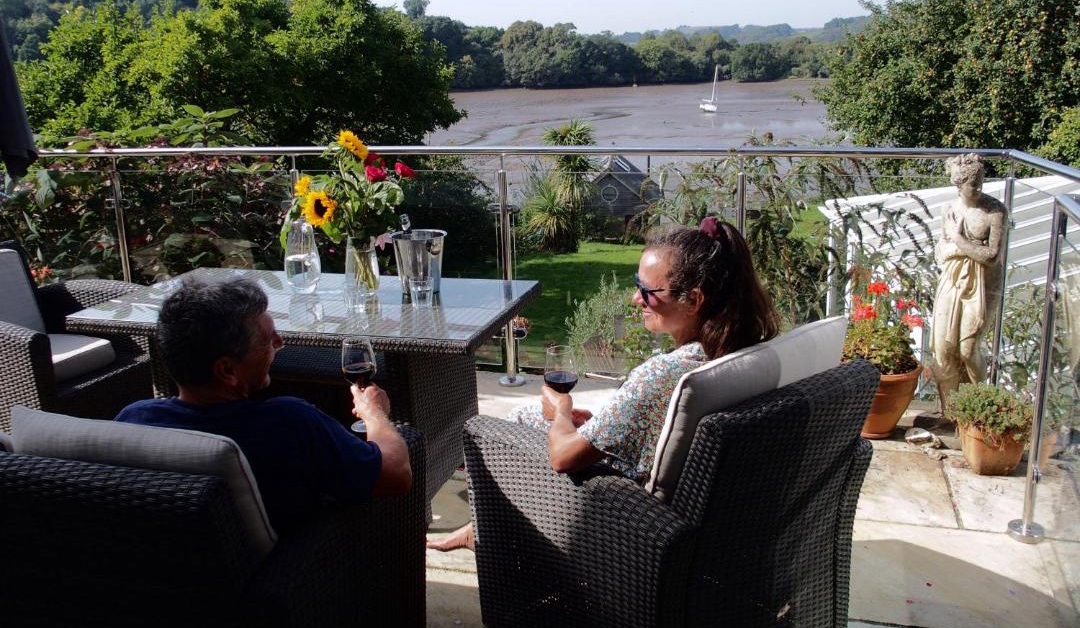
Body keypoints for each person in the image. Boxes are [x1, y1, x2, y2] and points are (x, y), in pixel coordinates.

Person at [428, 217, 779, 550]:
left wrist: (562, 412)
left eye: (647, 290)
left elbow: (564, 458)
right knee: (530, 414)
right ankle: (479, 528)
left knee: (511, 425)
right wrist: (605, 422)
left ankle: (486, 533)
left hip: (620, 514)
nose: (635, 298)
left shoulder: (659, 376)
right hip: (688, 512)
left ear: (694, 300)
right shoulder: (745, 352)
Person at [116, 276, 412, 534]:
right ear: (227, 371)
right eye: (268, 339)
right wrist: (374, 413)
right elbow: (396, 475)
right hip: (295, 575)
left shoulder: (134, 422)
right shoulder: (287, 423)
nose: (280, 343)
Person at [929, 153, 1007, 417]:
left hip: (983, 286)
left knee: (968, 348)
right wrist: (967, 248)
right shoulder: (949, 209)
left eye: (981, 181)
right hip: (951, 279)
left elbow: (992, 256)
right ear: (958, 184)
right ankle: (951, 412)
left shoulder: (995, 211)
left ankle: (978, 406)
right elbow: (942, 250)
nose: (978, 188)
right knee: (943, 347)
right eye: (973, 183)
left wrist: (959, 240)